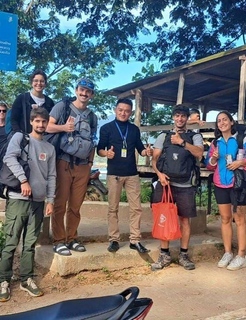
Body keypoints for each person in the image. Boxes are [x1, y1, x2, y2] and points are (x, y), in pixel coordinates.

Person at [0, 107, 56, 302]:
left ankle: (26, 279)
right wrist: (23, 180)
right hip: (18, 199)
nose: (40, 125)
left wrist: (50, 200)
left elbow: (51, 175)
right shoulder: (20, 138)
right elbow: (9, 158)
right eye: (37, 121)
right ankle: (3, 280)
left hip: (39, 202)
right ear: (32, 122)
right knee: (11, 242)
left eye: (44, 122)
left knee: (30, 244)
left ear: (47, 123)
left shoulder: (50, 148)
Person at [46, 78, 98, 256]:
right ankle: (59, 240)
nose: (84, 94)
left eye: (88, 91)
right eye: (81, 90)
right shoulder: (63, 106)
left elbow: (93, 141)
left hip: (83, 165)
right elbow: (47, 126)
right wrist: (63, 127)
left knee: (76, 205)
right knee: (60, 203)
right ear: (76, 90)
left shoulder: (92, 116)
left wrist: (90, 164)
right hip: (63, 162)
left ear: (91, 95)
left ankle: (72, 238)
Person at [150, 105, 204, 271]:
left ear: (187, 118)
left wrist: (182, 142)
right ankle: (164, 254)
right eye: (177, 116)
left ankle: (183, 255)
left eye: (183, 116)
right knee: (163, 218)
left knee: (185, 221)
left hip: (186, 184)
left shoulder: (194, 136)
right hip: (166, 184)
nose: (180, 119)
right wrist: (159, 174)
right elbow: (154, 159)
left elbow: (199, 153)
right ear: (173, 117)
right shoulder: (163, 136)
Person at [205, 111, 246, 270]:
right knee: (225, 218)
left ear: (231, 122)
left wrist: (240, 163)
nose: (222, 123)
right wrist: (213, 159)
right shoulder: (216, 143)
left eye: (224, 120)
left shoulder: (243, 140)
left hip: (239, 185)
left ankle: (241, 255)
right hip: (220, 184)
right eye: (219, 121)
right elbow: (209, 165)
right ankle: (228, 252)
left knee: (240, 218)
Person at [97, 98, 153, 253]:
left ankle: (135, 240)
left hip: (132, 174)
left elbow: (140, 148)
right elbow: (99, 149)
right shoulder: (107, 128)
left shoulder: (134, 129)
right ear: (115, 110)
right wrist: (106, 153)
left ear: (130, 112)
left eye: (127, 111)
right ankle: (114, 239)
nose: (123, 113)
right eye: (120, 110)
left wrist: (146, 152)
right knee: (112, 208)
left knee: (136, 208)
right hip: (114, 174)